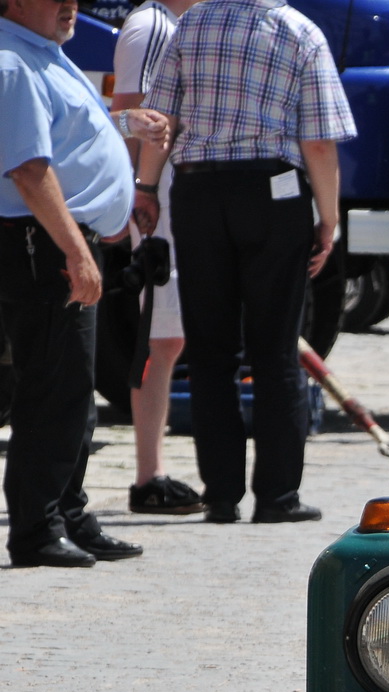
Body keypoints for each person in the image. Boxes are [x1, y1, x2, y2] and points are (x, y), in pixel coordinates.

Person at [137, 0, 355, 525]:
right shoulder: (300, 32)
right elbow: (319, 144)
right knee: (275, 350)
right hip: (272, 192)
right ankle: (278, 497)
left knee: (210, 351)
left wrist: (147, 185)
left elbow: (160, 120)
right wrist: (329, 219)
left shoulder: (191, 23)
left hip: (197, 191)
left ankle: (220, 495)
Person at [1, 0, 166, 567]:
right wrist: (76, 251)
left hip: (60, 241)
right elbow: (29, 168)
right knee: (54, 391)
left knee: (74, 391)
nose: (72, 3)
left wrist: (123, 125)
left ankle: (67, 515)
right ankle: (36, 531)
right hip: (43, 245)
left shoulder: (39, 52)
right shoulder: (14, 62)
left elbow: (65, 131)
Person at [112, 0, 203, 515]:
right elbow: (131, 116)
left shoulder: (176, 23)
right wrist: (135, 198)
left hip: (166, 196)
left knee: (169, 337)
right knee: (159, 336)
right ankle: (148, 475)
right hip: (155, 200)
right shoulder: (151, 25)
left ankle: (153, 470)